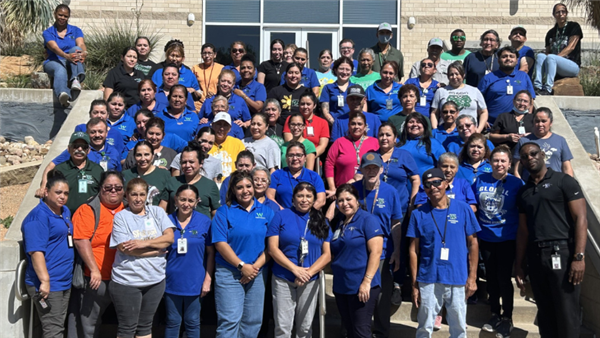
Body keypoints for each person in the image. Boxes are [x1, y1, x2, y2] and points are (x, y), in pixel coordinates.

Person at [515, 142, 587, 338]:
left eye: (533, 153)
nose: (530, 158)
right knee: (545, 311)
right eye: (525, 156)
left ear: (543, 154)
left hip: (562, 252)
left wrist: (579, 257)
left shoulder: (564, 181)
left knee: (566, 312)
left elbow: (581, 218)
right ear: (521, 161)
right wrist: (519, 264)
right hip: (536, 255)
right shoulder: (524, 192)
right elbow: (523, 231)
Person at [408, 168, 480, 338]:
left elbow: (473, 243)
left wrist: (472, 277)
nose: (433, 187)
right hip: (428, 277)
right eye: (427, 184)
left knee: (459, 327)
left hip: (457, 277)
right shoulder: (418, 214)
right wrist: (414, 283)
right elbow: (413, 250)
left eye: (436, 182)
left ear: (446, 184)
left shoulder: (463, 209)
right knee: (424, 327)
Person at [211, 171, 275, 338]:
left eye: (248, 186)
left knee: (253, 322)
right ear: (232, 190)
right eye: (239, 187)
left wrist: (253, 268)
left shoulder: (267, 212)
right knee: (230, 321)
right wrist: (241, 266)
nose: (245, 190)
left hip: (257, 273)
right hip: (229, 273)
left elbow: (272, 246)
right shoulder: (224, 212)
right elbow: (220, 243)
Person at [109, 178, 175, 338]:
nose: (138, 199)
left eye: (142, 194)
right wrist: (155, 251)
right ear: (126, 195)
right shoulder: (121, 217)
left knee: (145, 327)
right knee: (127, 328)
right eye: (134, 194)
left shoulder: (157, 212)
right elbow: (125, 249)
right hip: (127, 281)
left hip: (155, 281)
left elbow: (169, 238)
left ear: (147, 195)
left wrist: (141, 243)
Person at [267, 182, 332, 338]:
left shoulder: (322, 221)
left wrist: (308, 273)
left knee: (305, 328)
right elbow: (273, 248)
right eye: (300, 196)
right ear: (293, 198)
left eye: (309, 196)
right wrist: (294, 269)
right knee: (283, 327)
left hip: (310, 280)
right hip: (283, 278)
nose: (304, 200)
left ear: (314, 199)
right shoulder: (280, 216)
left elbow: (327, 254)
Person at [473, 145, 524, 338]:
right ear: (489, 162)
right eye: (496, 160)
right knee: (491, 278)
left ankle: (507, 317)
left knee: (504, 278)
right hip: (485, 236)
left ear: (510, 164)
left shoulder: (516, 184)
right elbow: (474, 205)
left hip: (507, 237)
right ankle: (494, 313)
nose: (499, 164)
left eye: (503, 161)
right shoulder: (480, 180)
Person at [68, 171, 125, 338]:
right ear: (100, 188)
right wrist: (94, 270)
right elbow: (81, 240)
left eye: (118, 187)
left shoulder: (130, 208)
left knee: (128, 323)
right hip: (96, 277)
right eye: (108, 188)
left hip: (124, 278)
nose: (113, 191)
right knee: (88, 325)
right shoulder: (88, 210)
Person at [351, 152, 403, 338]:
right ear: (362, 170)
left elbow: (396, 222)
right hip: (357, 250)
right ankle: (351, 330)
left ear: (381, 169)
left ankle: (381, 332)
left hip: (383, 252)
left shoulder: (390, 192)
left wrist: (397, 250)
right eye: (367, 168)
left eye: (375, 168)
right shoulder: (354, 190)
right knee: (355, 293)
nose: (371, 171)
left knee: (381, 296)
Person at [22, 170, 74, 338]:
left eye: (66, 193)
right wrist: (45, 281)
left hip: (64, 280)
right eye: (58, 192)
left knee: (58, 325)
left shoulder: (64, 211)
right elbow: (36, 251)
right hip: (47, 284)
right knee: (54, 330)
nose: (62, 196)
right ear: (46, 192)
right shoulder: (38, 217)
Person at [329, 184, 384, 338]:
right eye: (340, 200)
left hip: (361, 286)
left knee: (361, 331)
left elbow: (376, 252)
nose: (344, 203)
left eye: (348, 199)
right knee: (349, 331)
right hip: (342, 285)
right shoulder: (340, 222)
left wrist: (366, 282)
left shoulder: (368, 219)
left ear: (357, 200)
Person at [164, 184, 214, 338]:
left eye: (191, 201)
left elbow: (211, 253)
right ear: (176, 200)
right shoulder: (166, 221)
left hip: (195, 281)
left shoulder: (204, 222)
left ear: (197, 202)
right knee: (172, 321)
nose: (186, 204)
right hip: (170, 280)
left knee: (192, 321)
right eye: (183, 199)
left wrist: (208, 279)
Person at [534, 3, 583, 95]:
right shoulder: (551, 33)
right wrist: (546, 56)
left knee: (551, 57)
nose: (561, 14)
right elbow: (548, 52)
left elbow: (571, 47)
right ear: (554, 15)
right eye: (558, 12)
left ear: (566, 13)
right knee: (540, 56)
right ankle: (537, 86)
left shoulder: (573, 26)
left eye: (563, 12)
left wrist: (554, 58)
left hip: (572, 66)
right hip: (553, 64)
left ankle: (548, 89)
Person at [478, 46, 536, 124]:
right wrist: (483, 120)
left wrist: (528, 118)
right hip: (492, 124)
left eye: (511, 56)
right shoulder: (488, 78)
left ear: (517, 61)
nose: (508, 59)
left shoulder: (523, 76)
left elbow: (531, 99)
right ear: (498, 60)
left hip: (518, 124)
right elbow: (478, 100)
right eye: (504, 56)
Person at [43, 4, 86, 107]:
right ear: (55, 14)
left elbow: (81, 44)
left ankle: (76, 80)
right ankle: (63, 94)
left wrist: (84, 53)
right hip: (53, 61)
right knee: (60, 68)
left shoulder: (75, 30)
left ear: (68, 17)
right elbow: (54, 48)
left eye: (65, 16)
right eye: (60, 15)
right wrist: (66, 56)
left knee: (77, 49)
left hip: (71, 61)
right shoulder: (48, 32)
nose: (62, 18)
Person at [160, 145, 221, 217]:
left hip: (201, 226)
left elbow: (216, 212)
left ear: (201, 163)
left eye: (191, 162)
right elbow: (162, 208)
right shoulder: (172, 182)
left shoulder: (210, 185)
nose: (187, 165)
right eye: (184, 162)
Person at [513, 107, 573, 179]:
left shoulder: (560, 140)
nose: (540, 124)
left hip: (555, 184)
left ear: (551, 123)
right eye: (537, 121)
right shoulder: (524, 141)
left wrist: (570, 184)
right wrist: (520, 184)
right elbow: (517, 169)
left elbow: (567, 168)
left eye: (543, 121)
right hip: (531, 185)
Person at [325, 112, 379, 192]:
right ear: (348, 126)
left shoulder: (375, 142)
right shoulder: (339, 142)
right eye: (353, 124)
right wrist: (332, 188)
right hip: (343, 191)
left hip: (368, 190)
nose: (356, 127)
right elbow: (329, 164)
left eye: (359, 124)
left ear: (365, 127)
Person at [52, 132, 103, 214]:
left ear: (88, 150)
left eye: (84, 147)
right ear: (68, 149)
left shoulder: (97, 170)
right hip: (65, 217)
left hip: (89, 217)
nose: (79, 149)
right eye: (75, 146)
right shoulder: (59, 170)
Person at [430, 62, 488, 132]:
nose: (454, 77)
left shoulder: (474, 91)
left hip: (468, 131)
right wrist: (435, 130)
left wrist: (478, 130)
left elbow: (483, 112)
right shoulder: (441, 91)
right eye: (451, 74)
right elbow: (434, 113)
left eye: (457, 74)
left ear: (463, 75)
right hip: (446, 132)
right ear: (448, 76)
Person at [268, 141, 327, 210]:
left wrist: (307, 214)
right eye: (291, 155)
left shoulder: (314, 176)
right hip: (283, 216)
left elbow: (321, 200)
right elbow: (270, 197)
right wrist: (285, 213)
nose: (295, 158)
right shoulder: (277, 175)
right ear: (286, 158)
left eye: (298, 155)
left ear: (305, 158)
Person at [413, 152, 478, 211]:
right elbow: (420, 207)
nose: (448, 170)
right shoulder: (428, 184)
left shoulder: (463, 184)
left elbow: (472, 207)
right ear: (438, 166)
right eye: (445, 166)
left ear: (457, 169)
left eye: (452, 167)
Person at [52, 118, 122, 172]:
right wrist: (43, 186)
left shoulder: (114, 152)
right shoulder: (78, 150)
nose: (97, 135)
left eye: (100, 132)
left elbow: (119, 174)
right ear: (87, 133)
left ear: (106, 133)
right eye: (93, 132)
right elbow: (52, 165)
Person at [282, 91, 330, 158]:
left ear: (314, 105)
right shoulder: (291, 119)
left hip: (314, 161)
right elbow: (289, 140)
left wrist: (309, 157)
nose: (305, 107)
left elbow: (322, 146)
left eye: (308, 104)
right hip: (294, 159)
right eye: (302, 104)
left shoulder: (322, 122)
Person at [122, 141, 171, 205]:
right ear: (134, 156)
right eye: (139, 155)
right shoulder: (126, 175)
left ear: (153, 156)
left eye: (146, 154)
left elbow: (165, 204)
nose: (143, 159)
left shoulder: (164, 175)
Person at [122, 110, 187, 159]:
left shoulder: (170, 137)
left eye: (145, 121)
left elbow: (188, 149)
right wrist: (135, 155)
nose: (142, 125)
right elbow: (122, 161)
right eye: (138, 123)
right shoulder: (133, 142)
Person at [208, 112, 247, 178]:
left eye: (225, 125)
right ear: (213, 125)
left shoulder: (237, 143)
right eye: (219, 124)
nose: (222, 128)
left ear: (230, 128)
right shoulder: (206, 143)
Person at [321, 56, 355, 125]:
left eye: (347, 69)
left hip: (353, 125)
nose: (344, 72)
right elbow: (325, 111)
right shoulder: (328, 88)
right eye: (341, 69)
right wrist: (335, 124)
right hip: (334, 125)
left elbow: (362, 109)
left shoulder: (355, 88)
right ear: (336, 70)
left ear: (351, 72)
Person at [192, 43, 225, 109]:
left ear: (214, 55)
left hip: (215, 104)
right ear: (201, 55)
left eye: (209, 53)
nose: (207, 56)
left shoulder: (221, 68)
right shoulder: (195, 68)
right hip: (198, 105)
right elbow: (191, 85)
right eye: (204, 53)